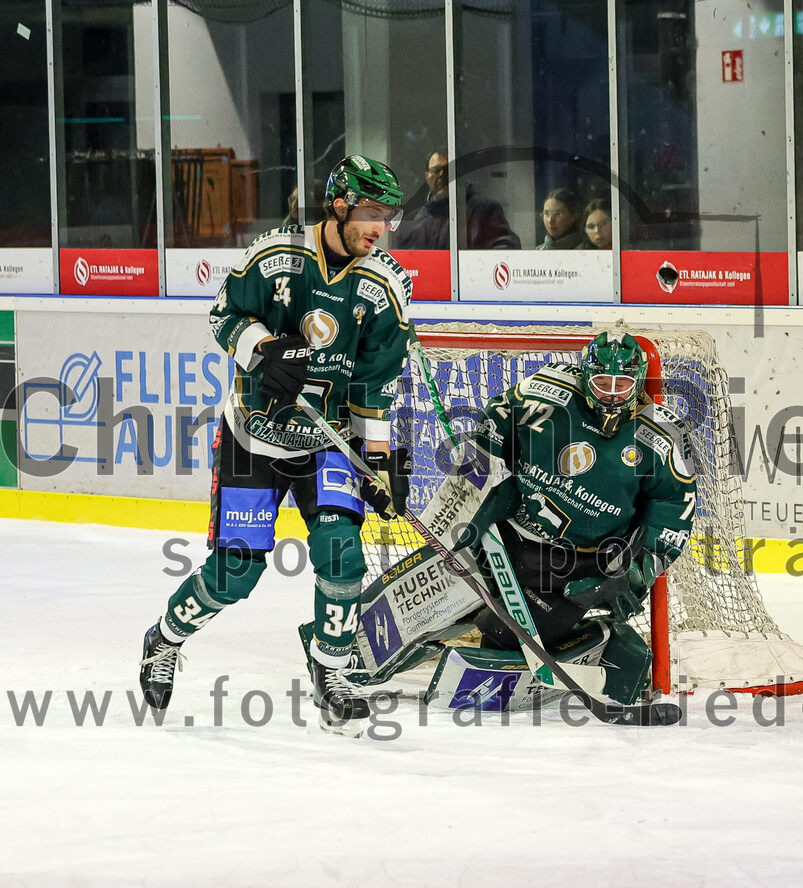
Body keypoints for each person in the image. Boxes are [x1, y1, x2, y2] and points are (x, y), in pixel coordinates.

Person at [139, 154, 414, 735]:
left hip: (326, 441)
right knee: (234, 574)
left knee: (343, 557)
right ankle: (164, 638)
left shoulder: (384, 285)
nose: (378, 227)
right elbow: (223, 316)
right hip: (252, 438)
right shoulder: (274, 256)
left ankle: (332, 670)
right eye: (368, 212)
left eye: (386, 215)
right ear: (337, 205)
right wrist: (263, 351)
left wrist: (382, 461)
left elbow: (373, 387)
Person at [342, 331, 697, 710]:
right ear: (584, 375)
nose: (611, 394)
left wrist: (629, 576)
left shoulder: (662, 439)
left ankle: (597, 640)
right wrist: (482, 484)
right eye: (602, 382)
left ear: (638, 384)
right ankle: (337, 655)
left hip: (574, 568)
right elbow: (496, 421)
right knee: (424, 597)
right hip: (508, 534)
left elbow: (673, 518)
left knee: (501, 634)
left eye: (622, 384)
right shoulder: (544, 393)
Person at [392, 150, 521, 250]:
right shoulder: (411, 223)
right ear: (427, 177)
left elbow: (506, 251)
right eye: (436, 170)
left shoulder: (485, 211)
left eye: (449, 169)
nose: (442, 176)